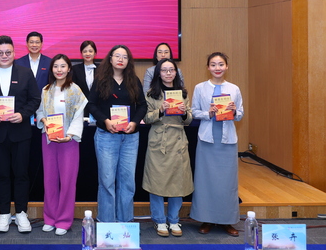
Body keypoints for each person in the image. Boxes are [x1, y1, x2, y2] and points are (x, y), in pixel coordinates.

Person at [0, 35, 41, 233]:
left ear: (14, 53)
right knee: (1, 174)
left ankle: (21, 213)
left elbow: (35, 99)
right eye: (0, 53)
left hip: (20, 133)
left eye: (8, 52)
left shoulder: (26, 73)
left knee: (21, 174)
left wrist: (23, 114)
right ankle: (3, 213)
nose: (4, 56)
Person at [88, 45, 147, 223]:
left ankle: (125, 222)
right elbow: (91, 105)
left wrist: (134, 122)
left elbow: (142, 105)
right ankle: (106, 222)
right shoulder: (101, 80)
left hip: (130, 138)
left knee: (127, 181)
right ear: (110, 58)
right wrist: (105, 121)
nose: (121, 59)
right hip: (106, 136)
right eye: (117, 56)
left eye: (125, 56)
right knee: (107, 181)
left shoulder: (133, 80)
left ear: (129, 61)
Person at [190, 52, 244, 237]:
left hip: (227, 141)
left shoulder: (234, 89)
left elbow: (241, 114)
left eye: (221, 64)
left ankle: (227, 221)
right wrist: (209, 113)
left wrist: (234, 111)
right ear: (208, 67)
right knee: (205, 181)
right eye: (213, 65)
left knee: (227, 182)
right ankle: (206, 219)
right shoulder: (200, 88)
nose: (217, 68)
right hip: (207, 140)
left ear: (227, 67)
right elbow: (194, 111)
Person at [36, 54, 87, 236]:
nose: (59, 70)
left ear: (69, 69)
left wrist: (70, 135)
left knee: (67, 181)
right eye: (56, 66)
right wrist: (44, 120)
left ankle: (64, 221)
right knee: (49, 180)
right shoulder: (46, 90)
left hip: (69, 141)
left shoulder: (75, 90)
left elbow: (79, 115)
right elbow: (40, 111)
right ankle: (50, 218)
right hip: (49, 139)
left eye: (63, 66)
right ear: (51, 69)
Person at [142, 58, 193, 237]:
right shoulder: (151, 94)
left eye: (171, 70)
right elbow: (146, 118)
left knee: (178, 182)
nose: (168, 73)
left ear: (176, 73)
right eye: (164, 70)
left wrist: (184, 113)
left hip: (178, 141)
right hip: (159, 141)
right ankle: (159, 220)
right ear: (158, 73)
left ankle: (173, 219)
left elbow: (189, 120)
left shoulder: (183, 93)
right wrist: (160, 111)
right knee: (156, 182)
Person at [71, 40, 99, 121]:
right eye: (85, 51)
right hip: (81, 108)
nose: (87, 54)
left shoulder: (102, 69)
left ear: (95, 53)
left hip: (98, 108)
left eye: (90, 51)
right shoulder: (75, 69)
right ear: (81, 53)